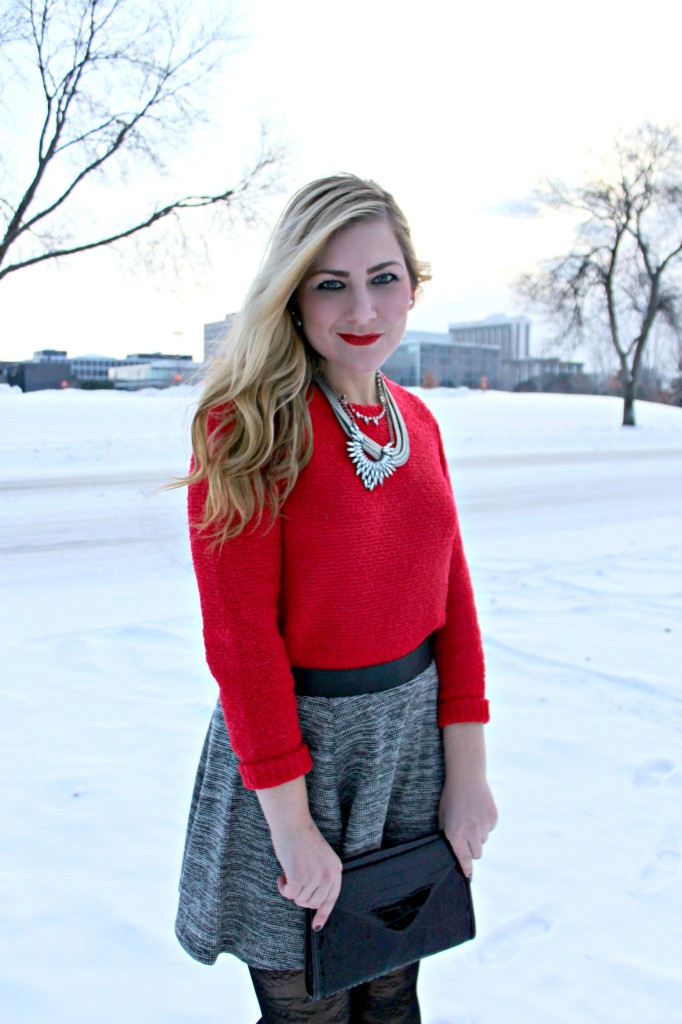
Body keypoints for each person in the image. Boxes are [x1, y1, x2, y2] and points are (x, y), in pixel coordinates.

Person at [175, 174, 498, 1024]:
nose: (363, 306)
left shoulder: (419, 422)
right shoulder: (245, 428)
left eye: (383, 278)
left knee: (393, 996)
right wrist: (291, 826)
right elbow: (241, 647)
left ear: (413, 286)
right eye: (332, 283)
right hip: (294, 765)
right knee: (307, 1009)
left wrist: (468, 777)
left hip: (408, 757)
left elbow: (453, 605)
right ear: (294, 295)